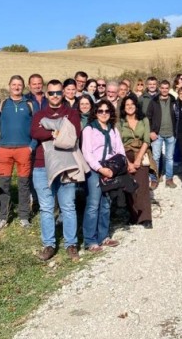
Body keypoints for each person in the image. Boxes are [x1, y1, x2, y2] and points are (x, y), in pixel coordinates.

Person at [30, 80, 83, 261]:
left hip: (65, 165)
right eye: (51, 93)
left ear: (63, 94)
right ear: (46, 94)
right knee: (46, 207)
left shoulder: (72, 113)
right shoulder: (38, 114)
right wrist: (56, 131)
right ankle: (49, 244)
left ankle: (71, 244)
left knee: (68, 206)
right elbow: (35, 133)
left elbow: (73, 134)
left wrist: (49, 130)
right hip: (41, 165)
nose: (55, 96)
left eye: (58, 93)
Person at [0, 75, 36, 229]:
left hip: (24, 150)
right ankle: (3, 217)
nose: (16, 87)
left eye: (19, 85)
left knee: (24, 185)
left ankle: (24, 216)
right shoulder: (2, 105)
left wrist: (32, 146)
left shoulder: (30, 104)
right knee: (4, 185)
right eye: (14, 84)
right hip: (4, 151)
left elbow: (37, 127)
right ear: (9, 86)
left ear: (23, 87)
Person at [80, 99, 123, 251]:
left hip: (110, 169)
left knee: (106, 204)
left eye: (107, 111)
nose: (104, 114)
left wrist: (114, 169)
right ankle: (90, 240)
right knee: (93, 204)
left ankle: (103, 236)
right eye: (100, 111)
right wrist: (100, 169)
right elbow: (87, 153)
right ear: (95, 113)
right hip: (95, 170)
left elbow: (119, 150)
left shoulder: (113, 130)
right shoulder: (89, 130)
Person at [119, 96, 154, 228]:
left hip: (141, 152)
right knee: (129, 187)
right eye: (127, 104)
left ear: (136, 105)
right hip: (125, 154)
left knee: (143, 186)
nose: (129, 106)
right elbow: (118, 143)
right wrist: (128, 163)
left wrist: (138, 159)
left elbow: (147, 140)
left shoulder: (143, 120)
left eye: (132, 104)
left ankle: (146, 218)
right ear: (123, 107)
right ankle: (134, 215)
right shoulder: (120, 122)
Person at [147, 80, 177, 188]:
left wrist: (176, 132)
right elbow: (148, 117)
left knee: (169, 158)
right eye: (162, 88)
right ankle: (154, 179)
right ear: (159, 88)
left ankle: (169, 179)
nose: (164, 90)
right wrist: (151, 131)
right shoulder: (154, 101)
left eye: (166, 88)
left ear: (169, 89)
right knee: (155, 157)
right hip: (157, 134)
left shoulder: (173, 100)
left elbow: (178, 117)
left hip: (171, 134)